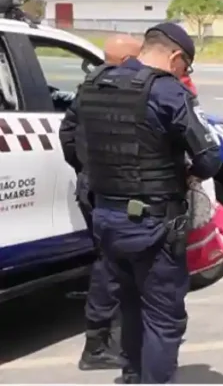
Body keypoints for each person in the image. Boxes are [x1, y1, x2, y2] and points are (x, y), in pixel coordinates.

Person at [60, 22, 222, 384]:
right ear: (176, 57)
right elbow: (210, 159)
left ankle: (132, 375)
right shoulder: (167, 92)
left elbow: (70, 138)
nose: (184, 74)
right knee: (164, 317)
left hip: (105, 216)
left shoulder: (95, 84)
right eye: (186, 67)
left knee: (129, 306)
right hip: (153, 223)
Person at [61, 33, 143, 371]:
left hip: (93, 186)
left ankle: (113, 340)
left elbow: (67, 135)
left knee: (111, 263)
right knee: (114, 267)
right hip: (117, 192)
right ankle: (98, 347)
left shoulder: (88, 89)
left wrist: (84, 170)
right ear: (126, 61)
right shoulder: (130, 92)